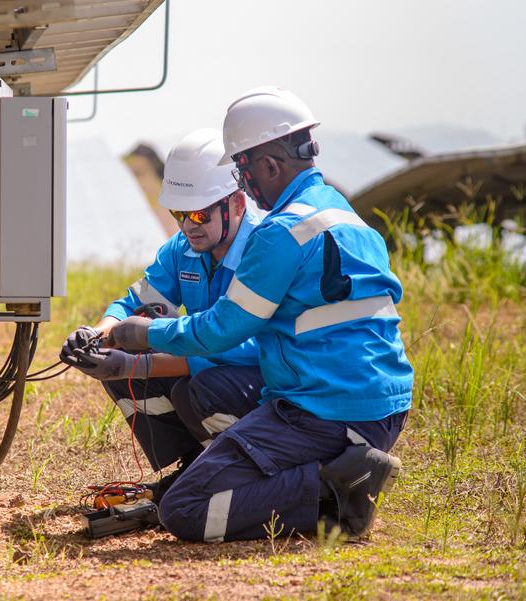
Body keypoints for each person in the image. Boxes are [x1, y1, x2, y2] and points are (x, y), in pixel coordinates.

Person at [106, 87, 414, 541]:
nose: (244, 185)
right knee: (204, 430)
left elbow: (223, 330)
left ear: (270, 165)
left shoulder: (282, 232)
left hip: (322, 410)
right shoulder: (344, 215)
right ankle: (337, 470)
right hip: (383, 407)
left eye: (244, 171)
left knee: (184, 509)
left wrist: (143, 335)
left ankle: (337, 491)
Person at [61, 129, 265, 498]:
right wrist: (99, 333)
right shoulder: (182, 249)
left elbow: (252, 350)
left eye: (200, 213)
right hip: (210, 360)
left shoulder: (265, 249)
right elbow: (137, 300)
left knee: (198, 389)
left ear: (236, 204)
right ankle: (194, 464)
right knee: (121, 356)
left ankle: (243, 471)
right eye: (179, 213)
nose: (188, 225)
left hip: (259, 379)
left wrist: (138, 365)